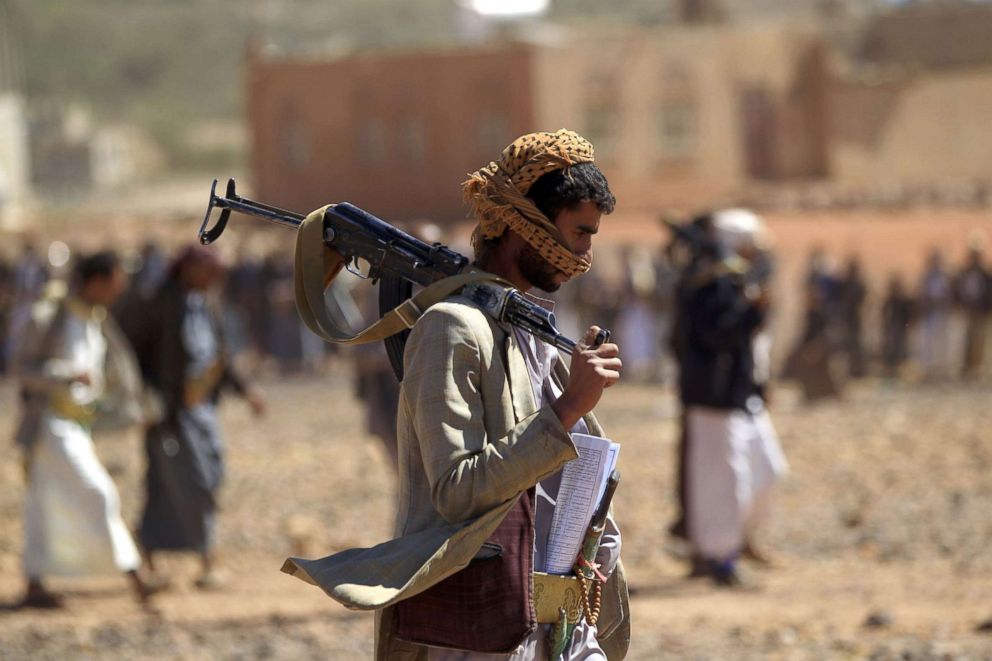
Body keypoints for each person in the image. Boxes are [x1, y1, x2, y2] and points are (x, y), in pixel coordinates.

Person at [282, 130, 630, 659]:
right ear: (525, 223)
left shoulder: (532, 330)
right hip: (481, 630)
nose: (584, 253)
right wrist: (567, 410)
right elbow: (457, 489)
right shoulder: (451, 329)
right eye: (579, 232)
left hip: (557, 631)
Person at [14, 251, 159, 608]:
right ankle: (135, 576)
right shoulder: (49, 315)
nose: (119, 289)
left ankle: (34, 584)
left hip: (79, 424)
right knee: (99, 492)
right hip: (50, 423)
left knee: (42, 504)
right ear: (96, 281)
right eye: (114, 281)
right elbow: (21, 368)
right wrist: (65, 376)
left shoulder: (94, 319)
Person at [119, 245, 265, 589]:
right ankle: (200, 559)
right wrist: (143, 400)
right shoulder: (157, 303)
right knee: (179, 481)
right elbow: (129, 355)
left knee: (209, 475)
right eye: (210, 271)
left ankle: (167, 549)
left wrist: (247, 392)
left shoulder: (209, 302)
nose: (216, 279)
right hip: (166, 413)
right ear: (188, 268)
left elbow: (219, 357)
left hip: (202, 410)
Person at [679, 209, 788, 586]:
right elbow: (716, 336)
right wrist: (752, 315)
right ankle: (720, 557)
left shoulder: (732, 279)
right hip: (714, 396)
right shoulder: (711, 283)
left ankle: (739, 542)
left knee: (766, 470)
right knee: (722, 482)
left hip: (740, 394)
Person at [954, 239, 991, 380]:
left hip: (980, 311)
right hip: (967, 310)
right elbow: (958, 289)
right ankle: (966, 368)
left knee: (979, 340)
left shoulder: (985, 273)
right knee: (966, 339)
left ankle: (977, 368)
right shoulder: (965, 271)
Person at [880, 274, 915, 380]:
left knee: (900, 349)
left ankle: (899, 372)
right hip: (892, 328)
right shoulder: (890, 300)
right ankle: (890, 371)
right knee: (890, 349)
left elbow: (908, 314)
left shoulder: (903, 300)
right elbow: (884, 314)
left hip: (900, 328)